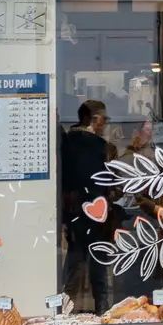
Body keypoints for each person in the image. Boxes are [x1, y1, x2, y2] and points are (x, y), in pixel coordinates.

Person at [60, 99, 116, 312]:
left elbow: (63, 180)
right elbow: (109, 183)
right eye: (105, 119)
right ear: (94, 119)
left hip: (74, 211)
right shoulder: (102, 147)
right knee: (98, 261)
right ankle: (102, 308)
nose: (106, 124)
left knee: (75, 260)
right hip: (98, 211)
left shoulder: (66, 142)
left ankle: (65, 308)